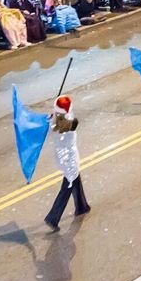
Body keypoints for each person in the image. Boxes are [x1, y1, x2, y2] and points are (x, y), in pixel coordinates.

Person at [44, 95, 91, 230]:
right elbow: (70, 117)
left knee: (75, 178)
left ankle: (81, 205)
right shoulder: (71, 123)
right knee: (68, 185)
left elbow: (56, 120)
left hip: (61, 155)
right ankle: (53, 217)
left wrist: (54, 114)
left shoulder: (54, 123)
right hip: (69, 158)